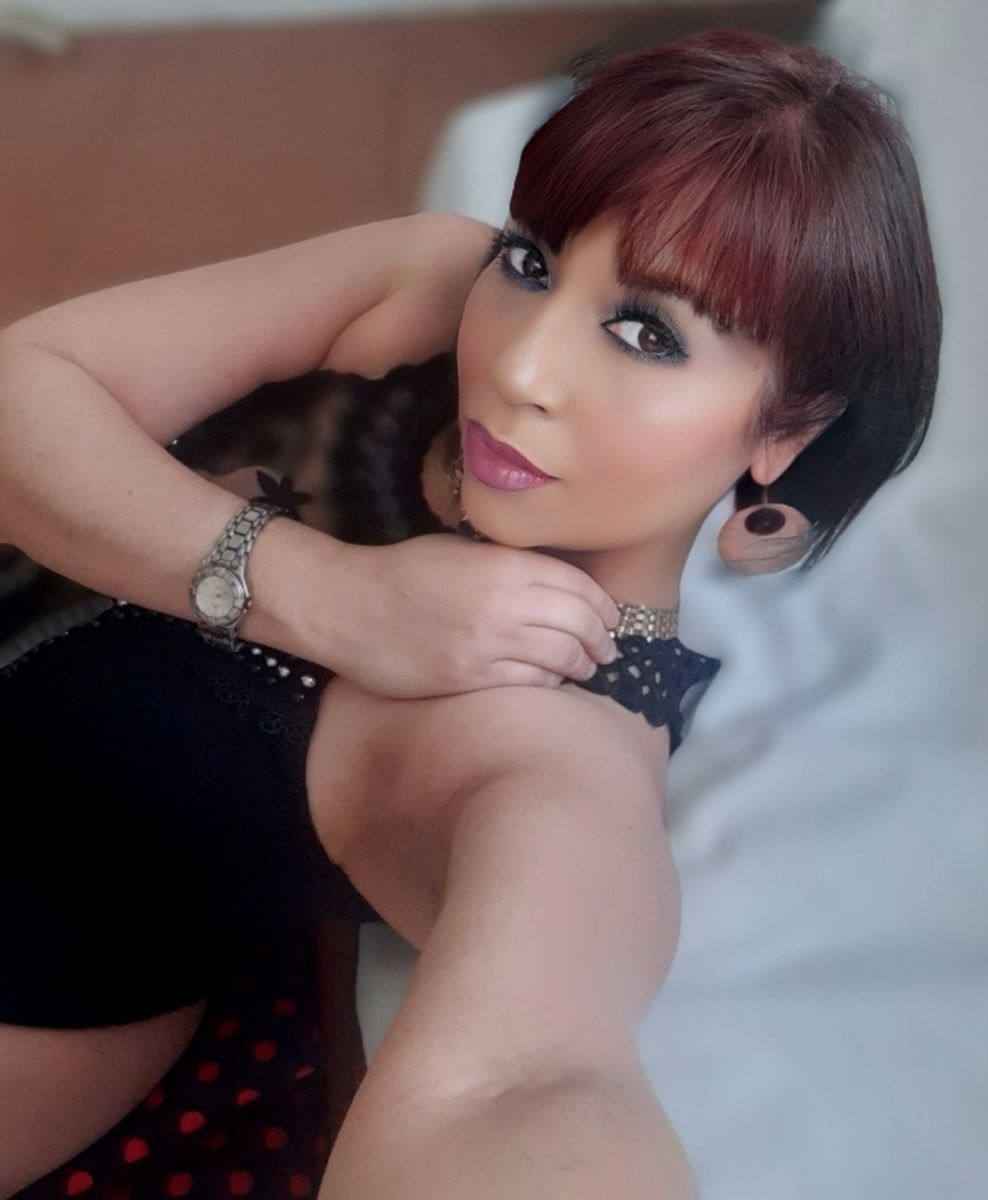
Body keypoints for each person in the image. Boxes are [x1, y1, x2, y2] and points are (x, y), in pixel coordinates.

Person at [0, 25, 940, 1200]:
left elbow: (524, 1088)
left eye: (646, 333)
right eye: (536, 262)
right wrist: (323, 593)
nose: (519, 367)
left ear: (785, 431)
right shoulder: (438, 283)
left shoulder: (551, 755)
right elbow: (25, 388)